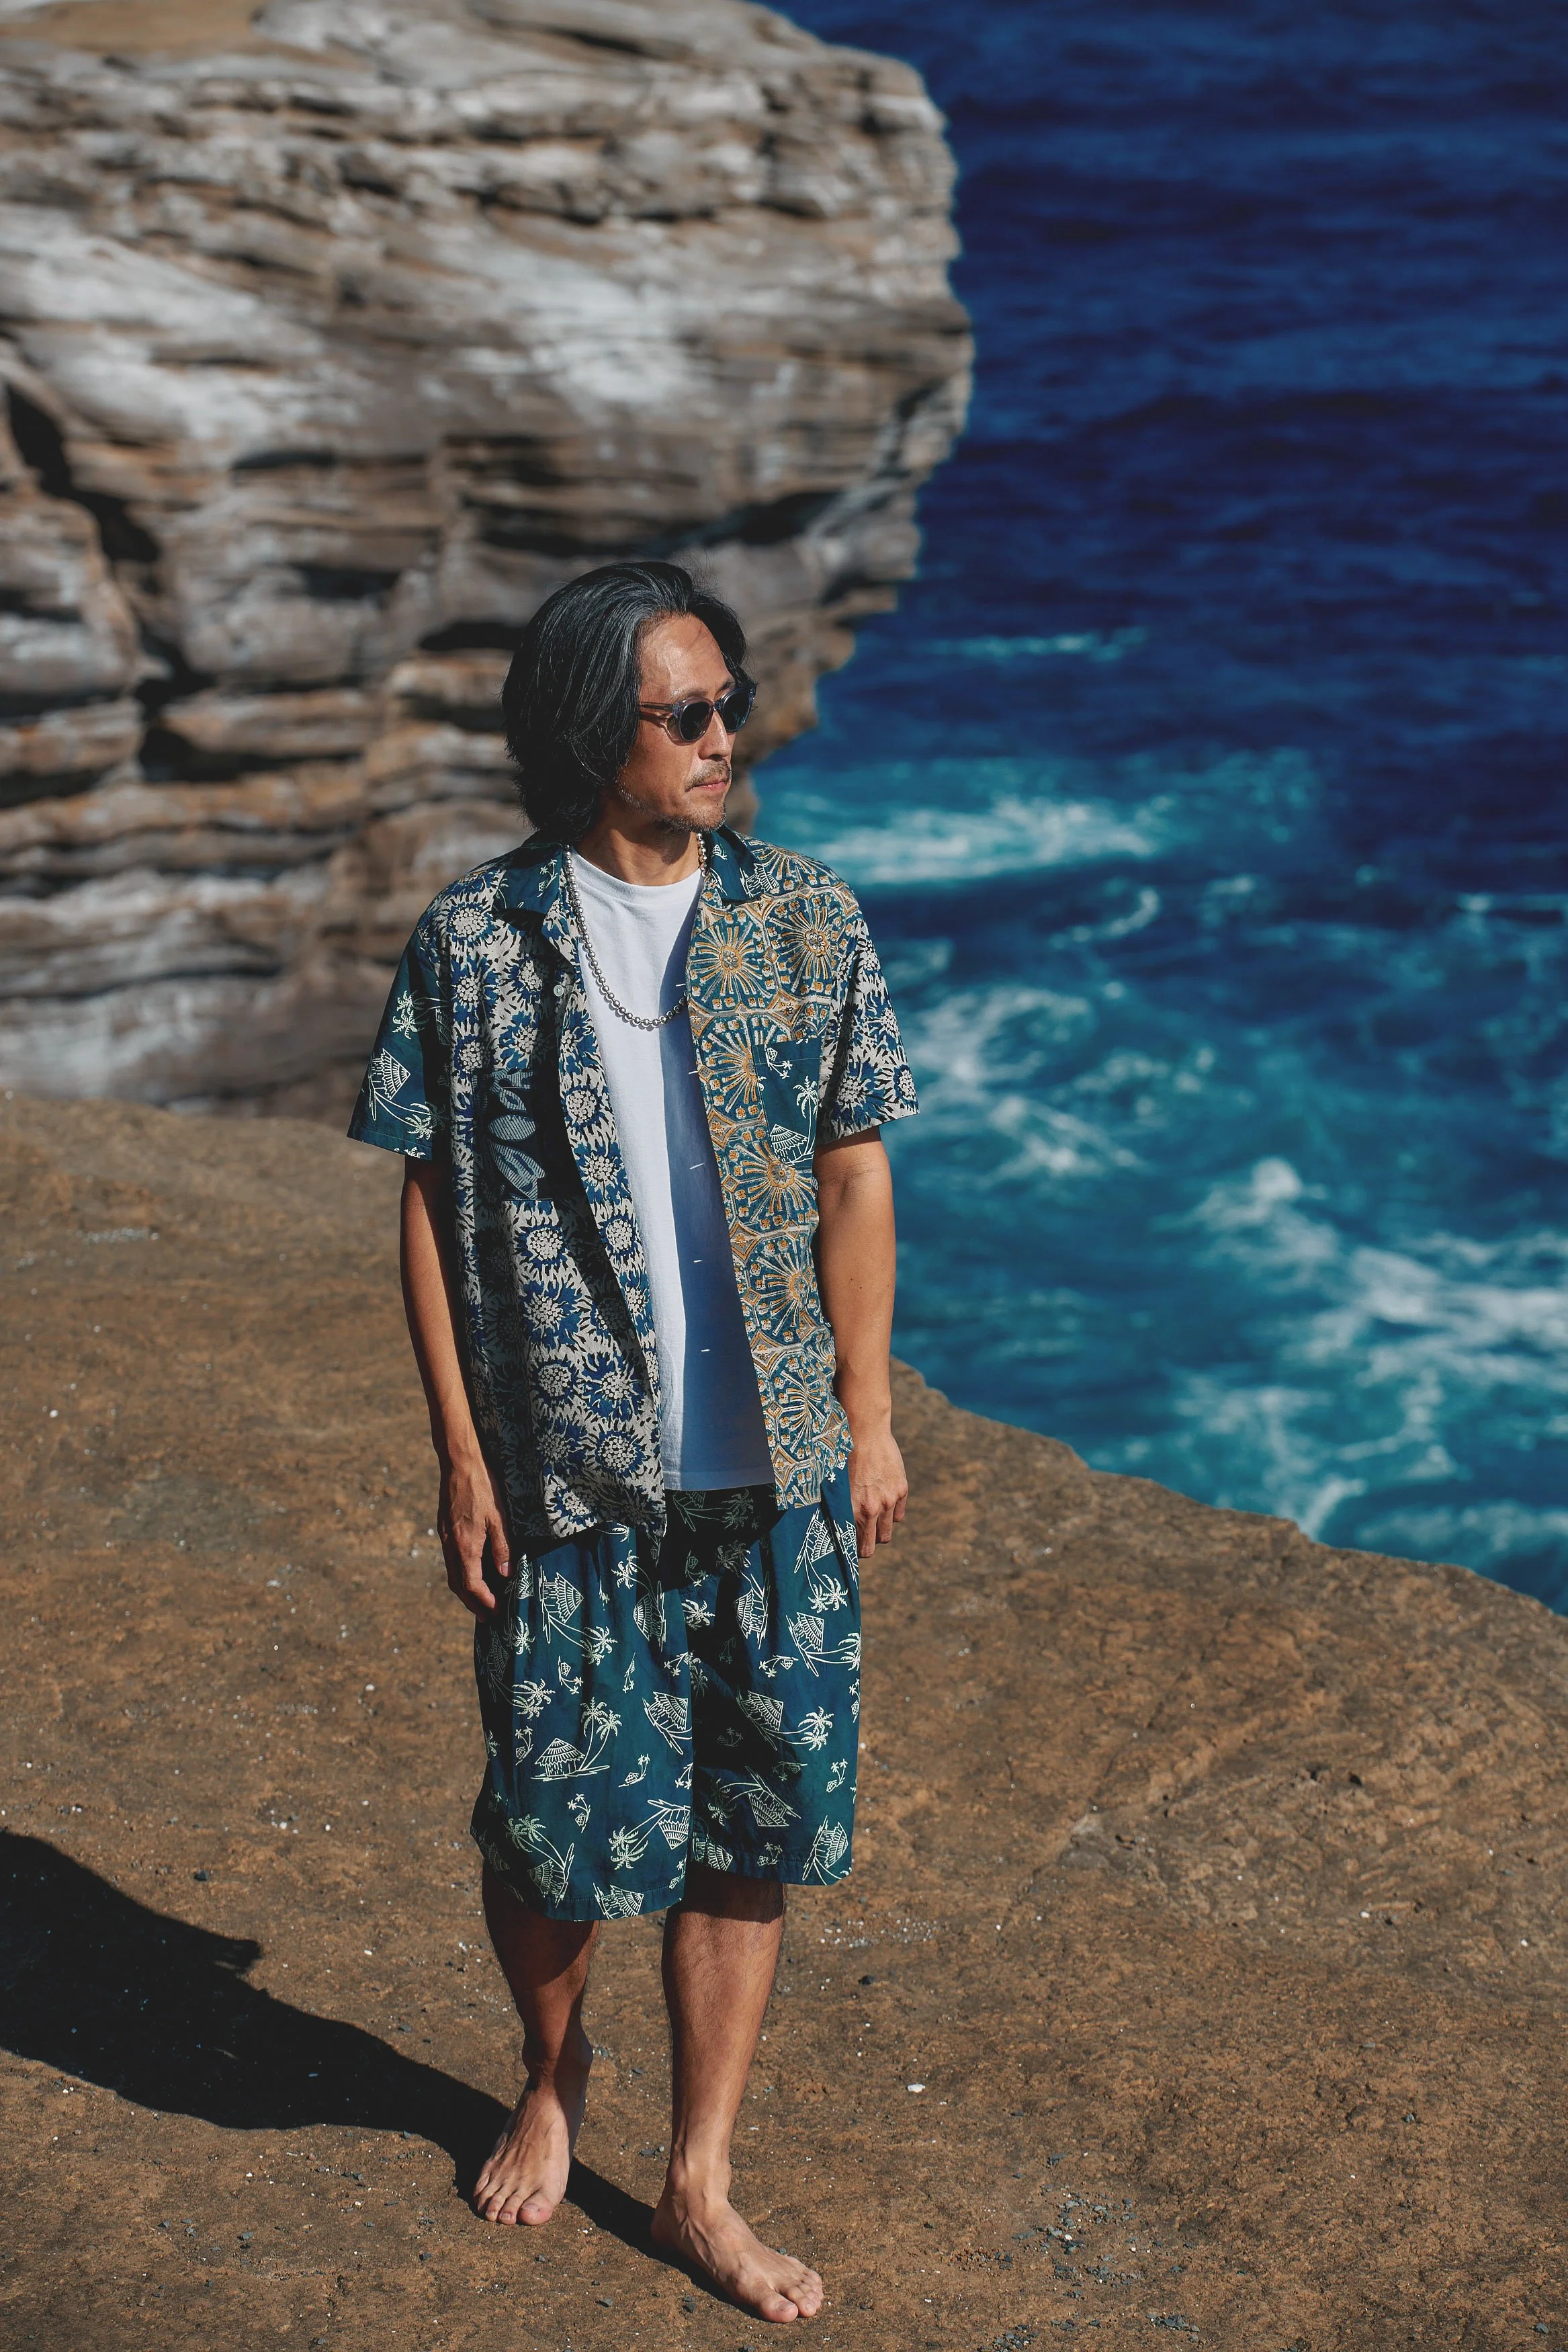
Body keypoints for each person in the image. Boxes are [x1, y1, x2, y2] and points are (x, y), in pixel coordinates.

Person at [348, 559, 917, 2324]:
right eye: (687, 714)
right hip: (568, 1472)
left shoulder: (806, 918)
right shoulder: (479, 940)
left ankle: (698, 2179)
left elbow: (855, 1171)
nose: (724, 736)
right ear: (597, 735)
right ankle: (553, 2069)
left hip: (771, 1470)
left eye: (729, 702)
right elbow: (429, 1202)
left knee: (752, 1819)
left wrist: (868, 1414)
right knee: (549, 1825)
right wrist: (460, 1455)